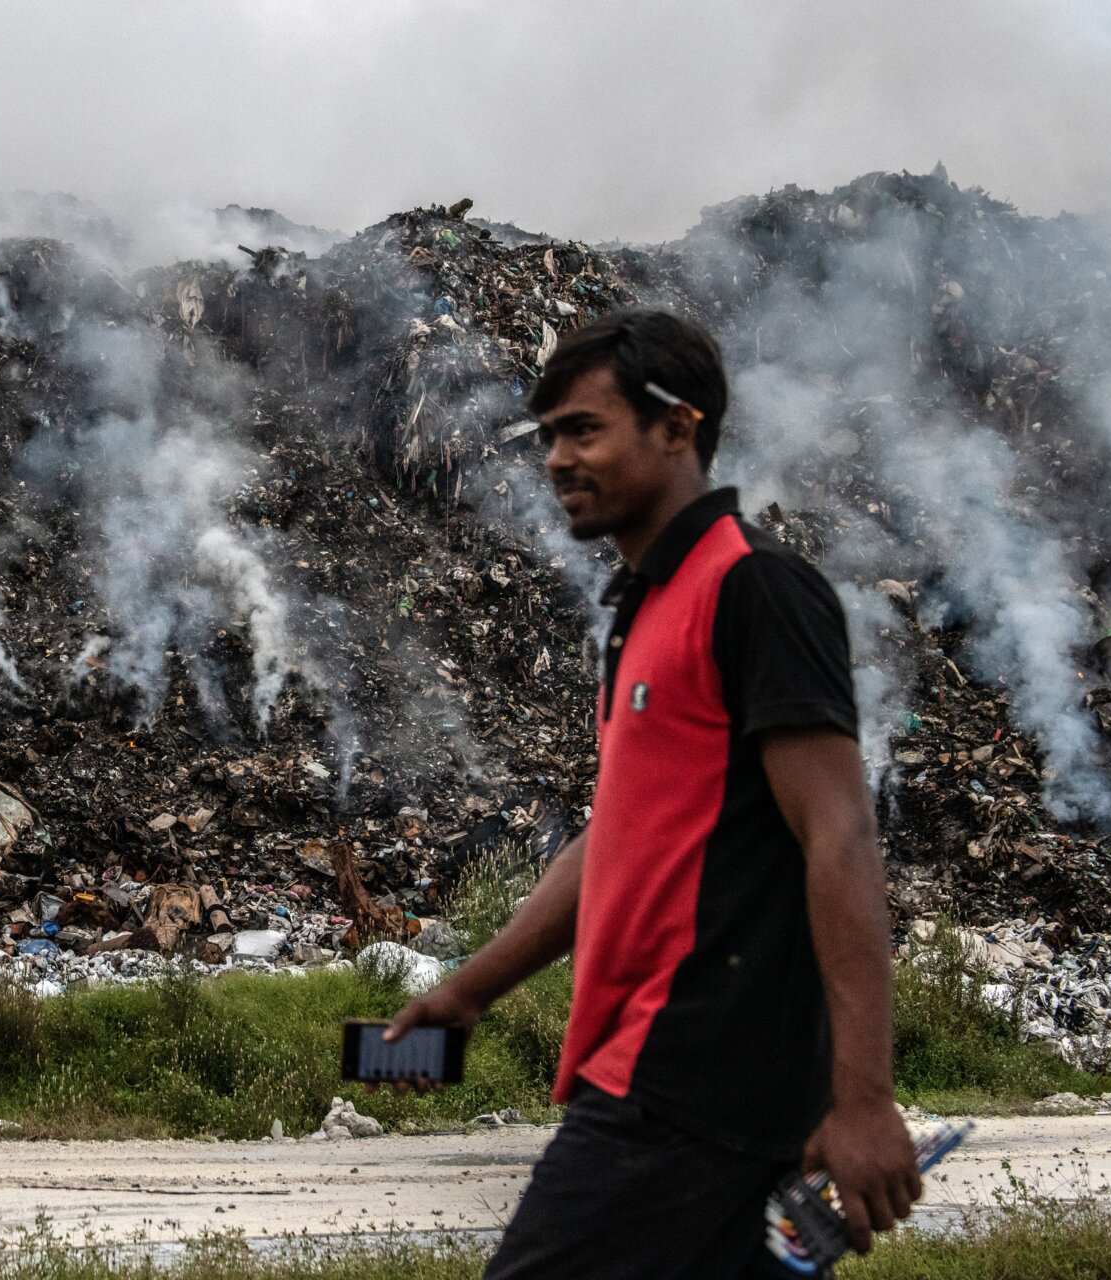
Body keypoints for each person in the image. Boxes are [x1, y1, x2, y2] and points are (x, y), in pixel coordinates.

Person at [384, 310, 922, 1278]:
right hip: (703, 1102)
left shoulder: (755, 590)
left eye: (584, 428)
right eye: (547, 433)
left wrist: (866, 1098)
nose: (556, 457)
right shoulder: (645, 609)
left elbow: (839, 834)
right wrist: (470, 990)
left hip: (682, 1083)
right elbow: (619, 843)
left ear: (679, 426)